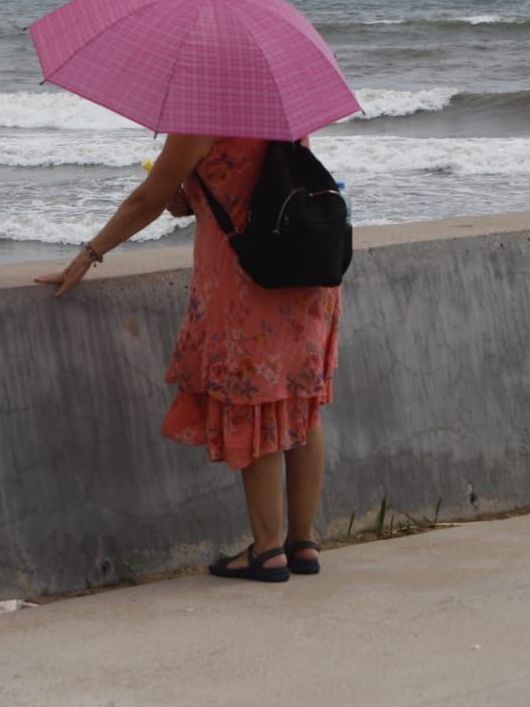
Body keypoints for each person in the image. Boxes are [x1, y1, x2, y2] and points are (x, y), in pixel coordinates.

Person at [37, 133, 340, 583]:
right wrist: (197, 195)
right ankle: (303, 542)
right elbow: (262, 182)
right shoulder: (278, 104)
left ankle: (268, 549)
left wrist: (88, 256)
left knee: (252, 405)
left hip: (247, 284)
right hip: (307, 272)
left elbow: (147, 200)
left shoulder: (201, 119)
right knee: (301, 402)